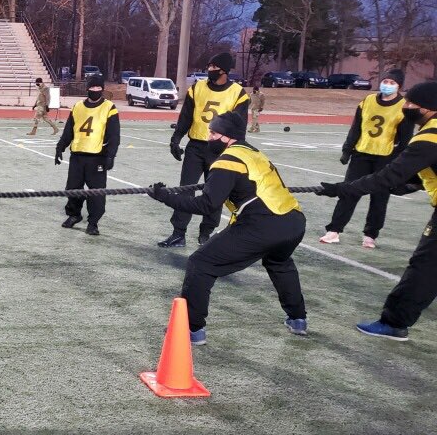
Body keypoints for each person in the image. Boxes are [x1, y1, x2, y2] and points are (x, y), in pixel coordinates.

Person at [148, 110, 308, 345]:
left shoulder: (227, 160)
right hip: (293, 222)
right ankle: (298, 319)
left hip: (263, 224)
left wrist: (164, 196)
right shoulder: (254, 153)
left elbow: (206, 204)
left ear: (228, 136)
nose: (208, 137)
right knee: (279, 262)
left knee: (200, 263)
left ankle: (192, 329)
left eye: (213, 132)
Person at [318, 81, 437, 341]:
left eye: (411, 104)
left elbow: (386, 177)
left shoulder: (429, 138)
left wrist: (343, 189)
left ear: (428, 108)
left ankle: (394, 323)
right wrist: (410, 184)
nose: (405, 107)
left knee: (425, 268)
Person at [160, 52, 250, 248]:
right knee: (186, 190)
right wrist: (176, 139)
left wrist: (236, 151)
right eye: (208, 66)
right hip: (196, 147)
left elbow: (239, 127)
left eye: (213, 67)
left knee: (216, 193)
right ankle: (178, 233)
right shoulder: (197, 88)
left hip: (220, 150)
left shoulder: (238, 93)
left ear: (224, 70)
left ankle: (206, 234)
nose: (209, 70)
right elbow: (185, 117)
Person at [319, 69, 411, 249]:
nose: (388, 85)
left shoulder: (404, 106)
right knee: (349, 191)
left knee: (379, 197)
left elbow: (405, 138)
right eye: (386, 81)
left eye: (392, 83)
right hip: (361, 155)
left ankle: (370, 234)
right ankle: (334, 230)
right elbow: (356, 128)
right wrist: (347, 150)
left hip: (385, 157)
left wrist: (398, 159)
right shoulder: (367, 101)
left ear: (399, 86)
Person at [55, 73, 120, 236]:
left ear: (103, 89)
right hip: (77, 156)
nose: (95, 90)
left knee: (96, 192)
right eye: (92, 87)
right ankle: (74, 214)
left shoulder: (109, 107)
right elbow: (69, 129)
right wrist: (60, 147)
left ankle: (93, 223)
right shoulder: (77, 106)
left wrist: (111, 155)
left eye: (98, 88)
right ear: (87, 89)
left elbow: (114, 135)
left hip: (97, 157)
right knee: (72, 189)